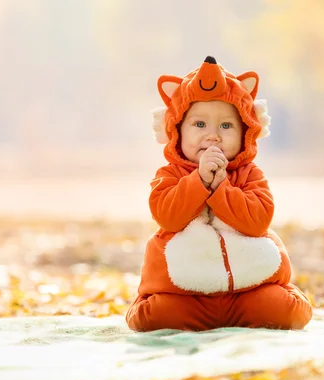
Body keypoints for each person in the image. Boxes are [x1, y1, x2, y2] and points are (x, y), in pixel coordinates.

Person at [125, 56, 313, 331]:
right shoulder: (169, 175)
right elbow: (168, 217)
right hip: (187, 295)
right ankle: (147, 305)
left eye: (226, 126)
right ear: (176, 130)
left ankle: (274, 303)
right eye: (199, 125)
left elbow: (258, 221)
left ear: (246, 133)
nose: (212, 136)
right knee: (156, 316)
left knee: (283, 310)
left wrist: (220, 187)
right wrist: (199, 181)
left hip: (246, 291)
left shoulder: (251, 175)